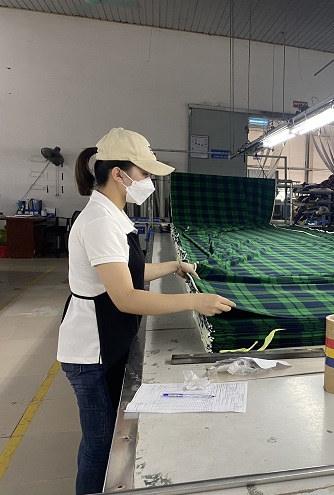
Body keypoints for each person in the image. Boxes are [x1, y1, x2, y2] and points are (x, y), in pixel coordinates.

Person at [58, 128, 236, 495]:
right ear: (118, 174)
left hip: (107, 341)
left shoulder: (111, 215)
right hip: (91, 352)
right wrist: (195, 301)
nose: (148, 181)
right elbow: (126, 297)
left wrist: (172, 266)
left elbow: (127, 271)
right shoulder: (101, 223)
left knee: (106, 438)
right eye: (143, 173)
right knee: (99, 445)